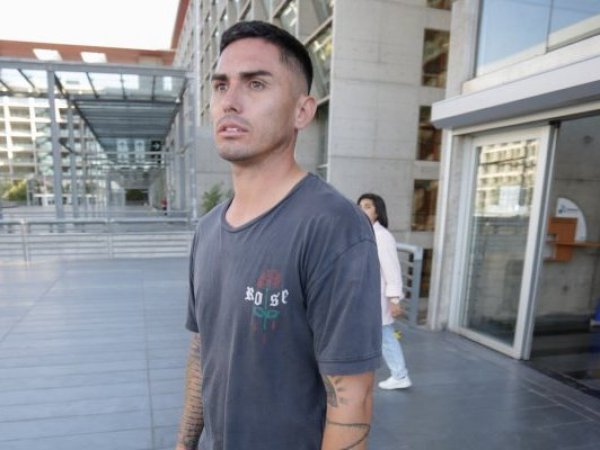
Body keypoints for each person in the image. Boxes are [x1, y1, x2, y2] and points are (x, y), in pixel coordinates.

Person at [175, 21, 382, 450]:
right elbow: (202, 350)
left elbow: (352, 399)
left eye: (255, 84)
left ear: (302, 111)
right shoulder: (208, 229)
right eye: (221, 85)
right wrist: (183, 445)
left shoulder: (333, 226)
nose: (230, 101)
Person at [358, 193, 412, 390]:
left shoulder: (382, 237)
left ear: (377, 211)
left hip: (378, 297)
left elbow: (392, 270)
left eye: (367, 206)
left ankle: (400, 375)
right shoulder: (366, 232)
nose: (362, 210)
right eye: (360, 206)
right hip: (367, 296)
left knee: (386, 336)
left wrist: (395, 299)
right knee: (378, 335)